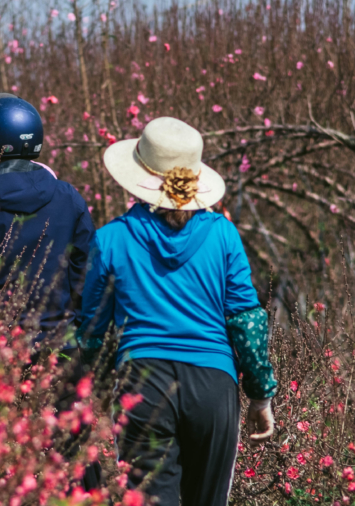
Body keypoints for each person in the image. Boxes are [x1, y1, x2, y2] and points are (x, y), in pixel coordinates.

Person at [78, 116, 277, 506]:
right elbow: (246, 320)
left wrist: (93, 396)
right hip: (214, 389)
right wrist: (260, 396)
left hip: (143, 386)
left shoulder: (110, 238)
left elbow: (92, 333)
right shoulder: (223, 234)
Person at [0, 93, 100, 488]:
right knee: (78, 464)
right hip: (62, 351)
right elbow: (88, 274)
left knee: (4, 469)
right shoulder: (67, 197)